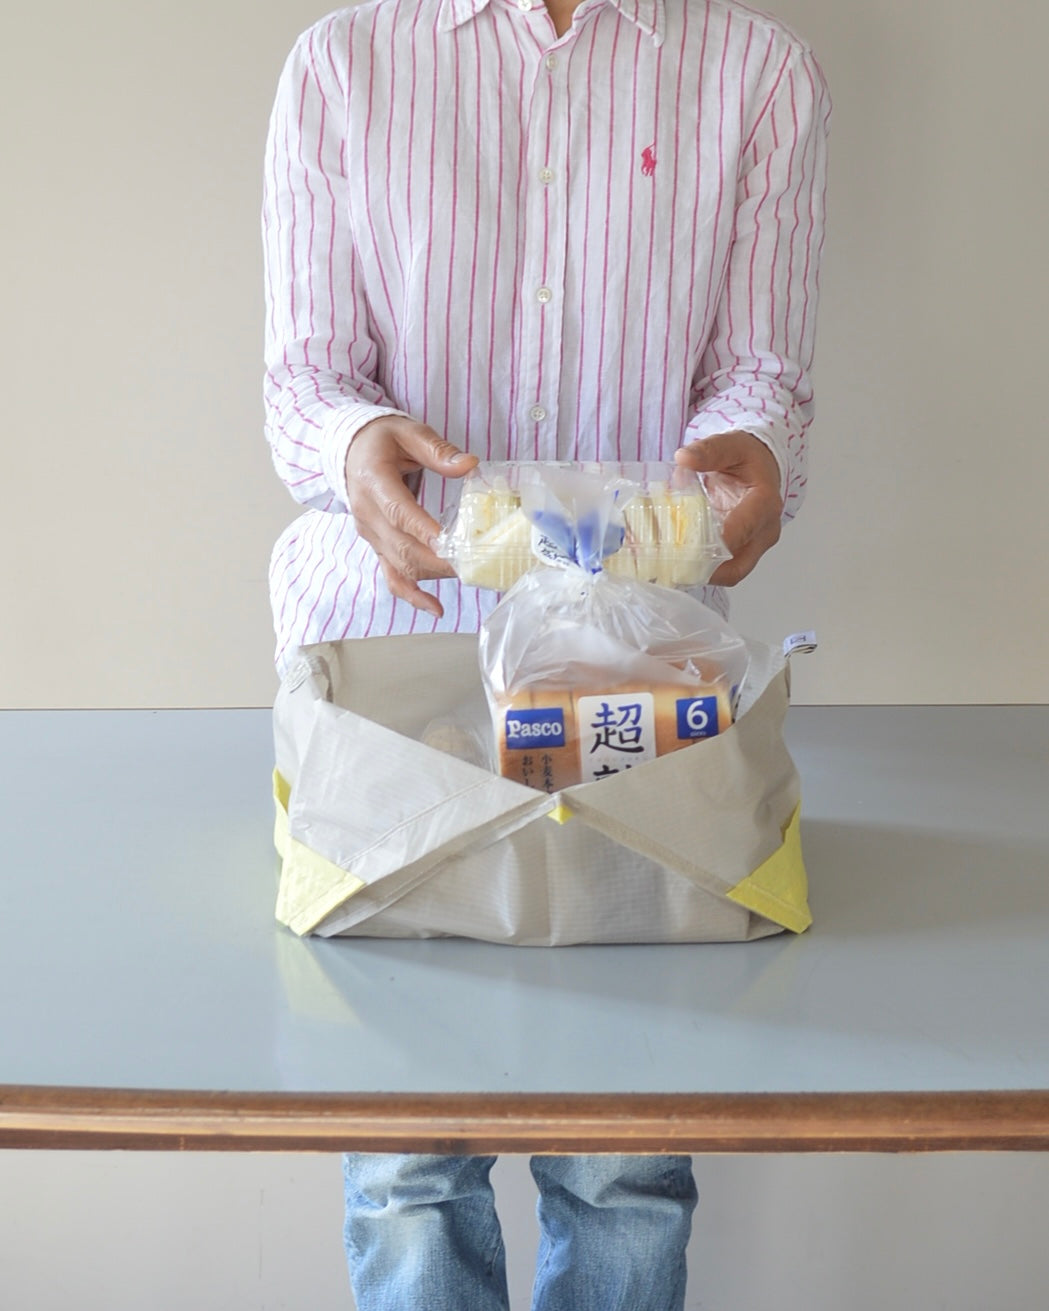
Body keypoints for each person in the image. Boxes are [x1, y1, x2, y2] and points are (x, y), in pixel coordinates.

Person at [262, 0, 829, 1306]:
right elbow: (305, 376)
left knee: (623, 1166)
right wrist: (353, 447)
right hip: (392, 663)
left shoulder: (756, 73)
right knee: (406, 1174)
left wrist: (757, 453)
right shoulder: (346, 63)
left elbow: (761, 371)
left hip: (637, 670)